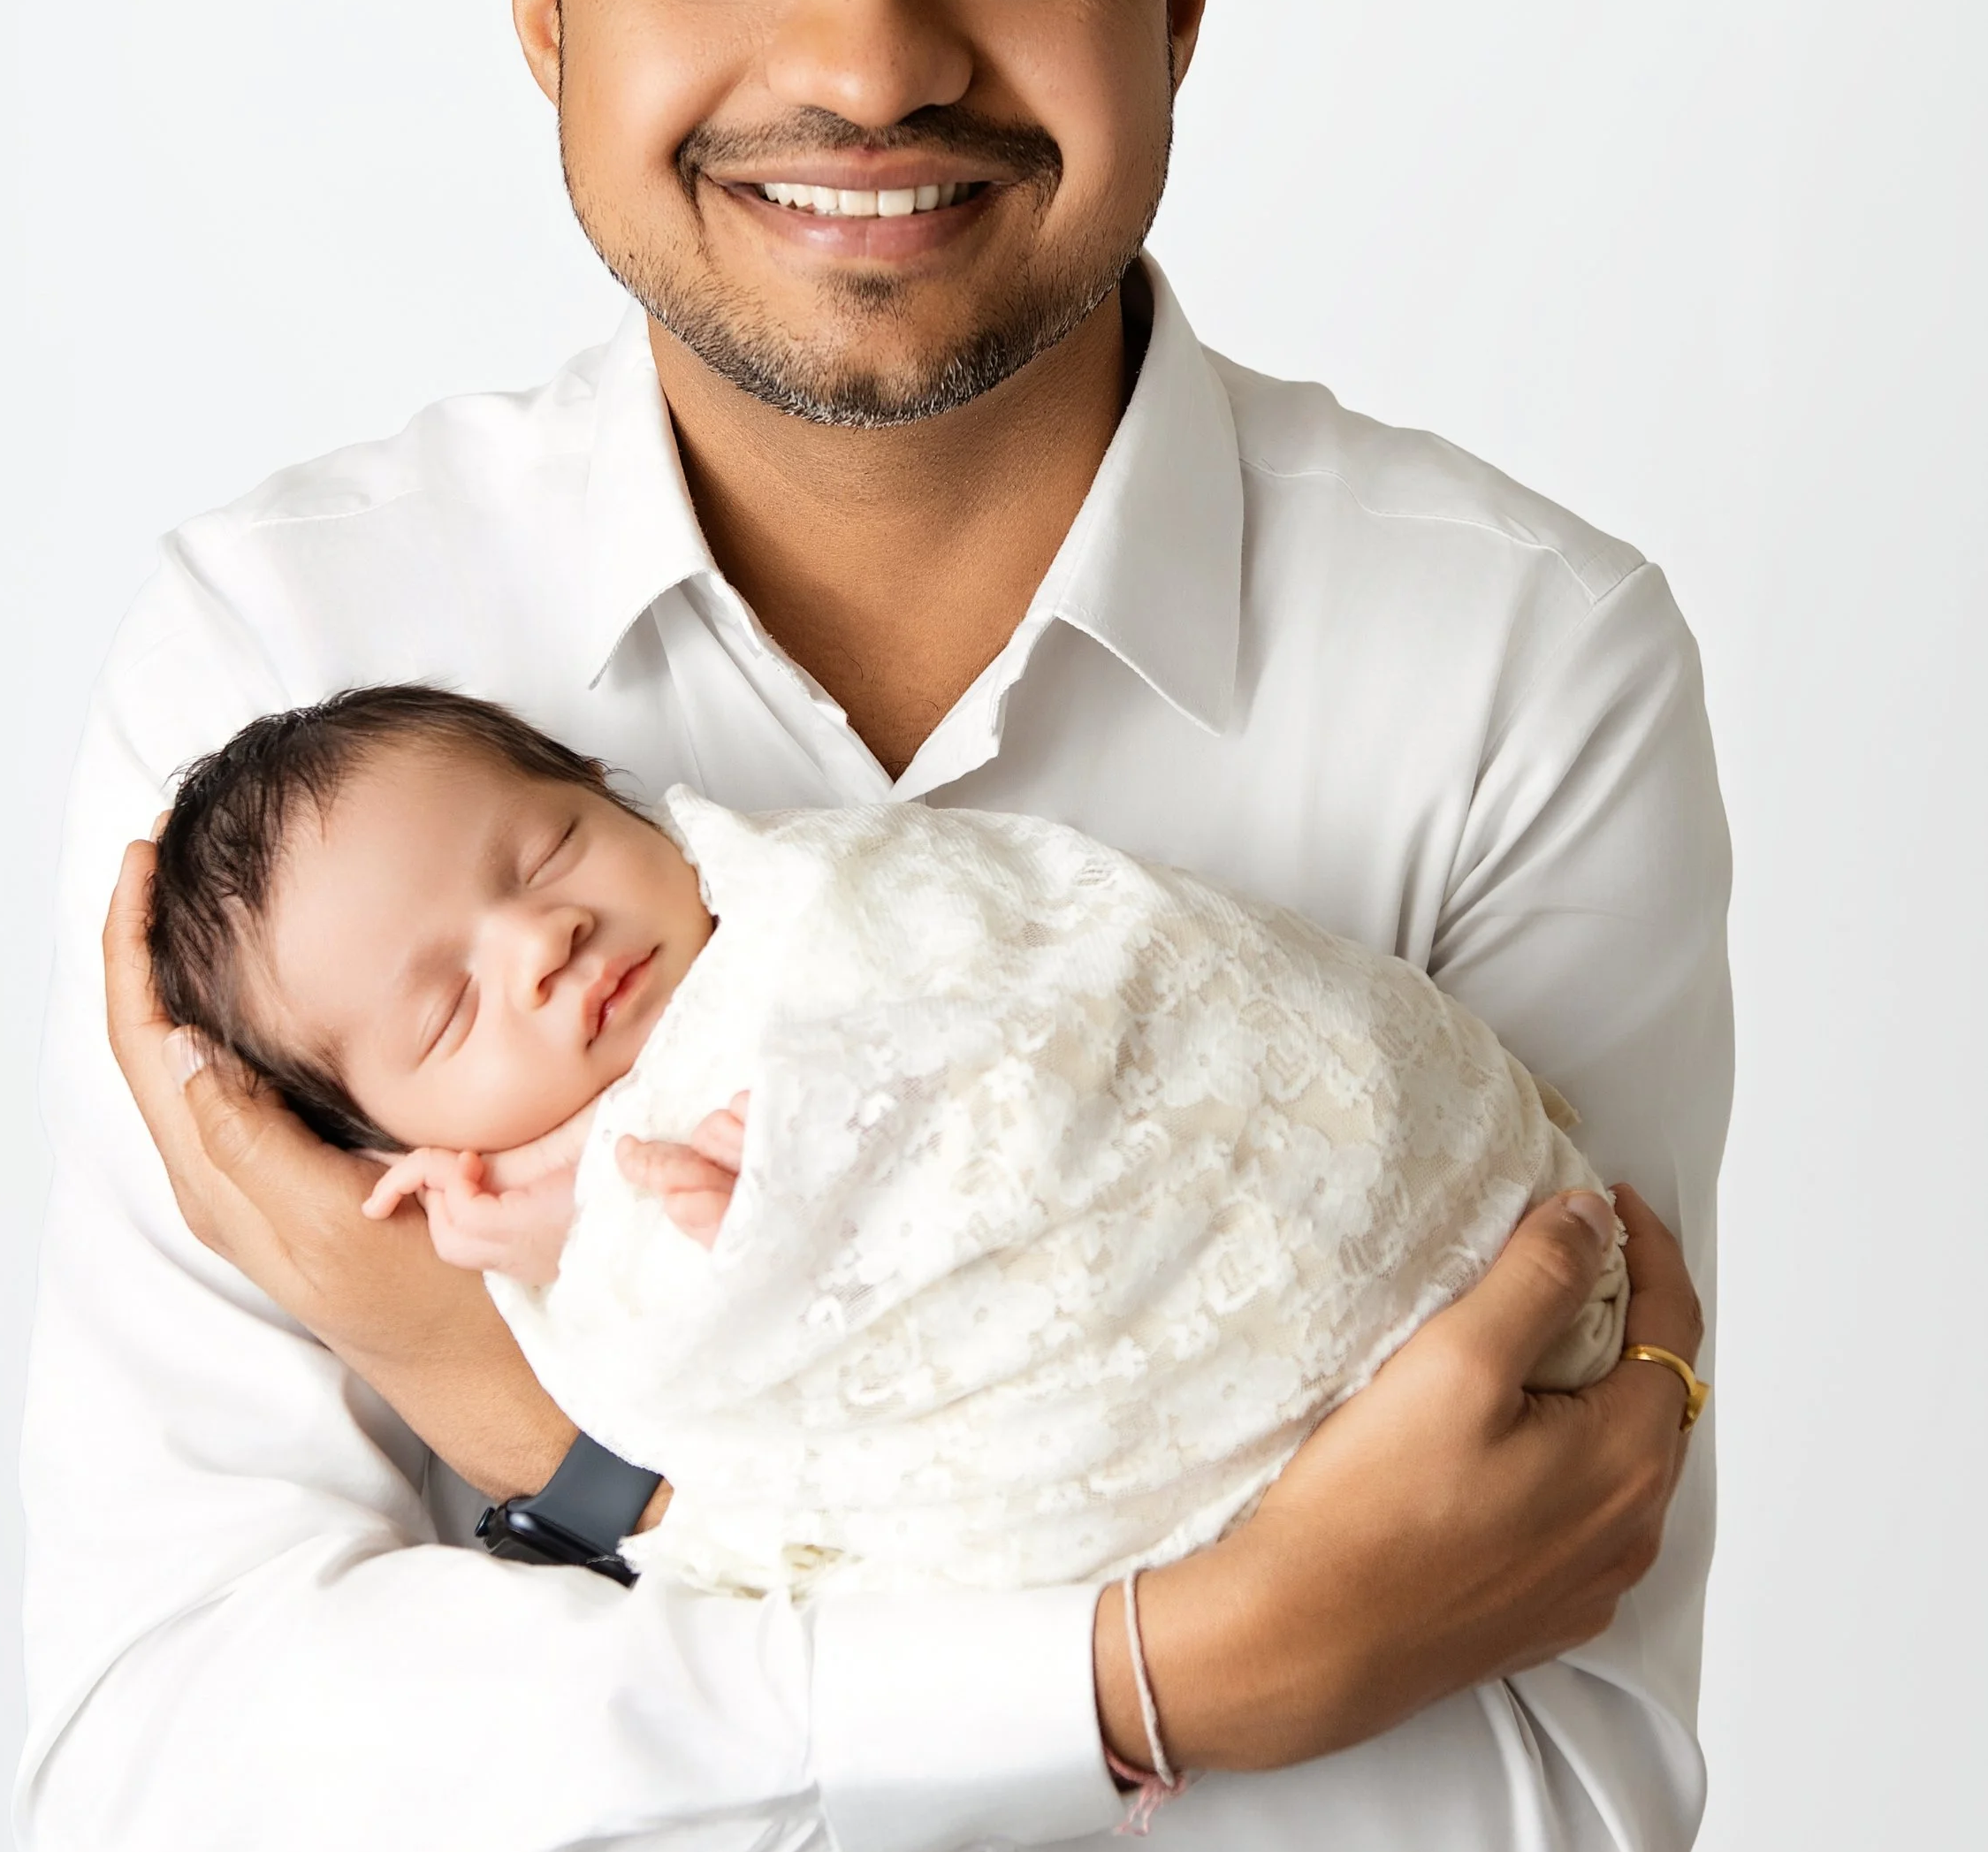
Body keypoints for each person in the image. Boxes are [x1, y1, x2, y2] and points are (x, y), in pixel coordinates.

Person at [19, 0, 1725, 1852]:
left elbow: (1553, 1846)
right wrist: (1195, 1665)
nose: (868, 61)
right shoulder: (284, 681)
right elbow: (169, 1793)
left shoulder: (1516, 677)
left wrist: (552, 1475)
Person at [144, 681, 1634, 1606]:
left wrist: (806, 1143)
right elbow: (706, 1370)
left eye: (546, 850)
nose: (543, 939)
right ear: (391, 1153)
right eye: (451, 1010)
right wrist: (590, 1238)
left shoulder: (815, 909)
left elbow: (1065, 988)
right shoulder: (537, 1226)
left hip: (1416, 1226)